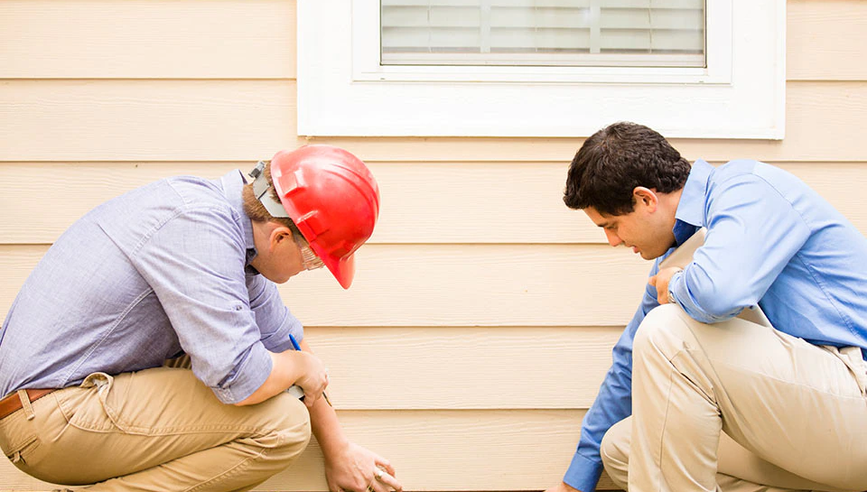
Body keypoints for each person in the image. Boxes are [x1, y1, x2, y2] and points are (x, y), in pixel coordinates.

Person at [0, 145, 404, 492]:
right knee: (282, 423)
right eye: (315, 260)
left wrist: (338, 450)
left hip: (64, 404)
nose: (310, 270)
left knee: (256, 372)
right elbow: (243, 378)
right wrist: (300, 367)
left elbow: (284, 340)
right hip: (47, 416)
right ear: (280, 237)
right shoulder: (198, 229)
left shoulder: (234, 239)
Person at [546, 122, 867, 492]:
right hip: (812, 427)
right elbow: (628, 362)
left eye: (613, 225)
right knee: (623, 447)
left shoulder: (747, 188)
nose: (612, 241)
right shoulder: (675, 261)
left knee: (666, 332)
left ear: (646, 199)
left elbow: (720, 293)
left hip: (855, 398)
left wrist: (676, 284)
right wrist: (575, 482)